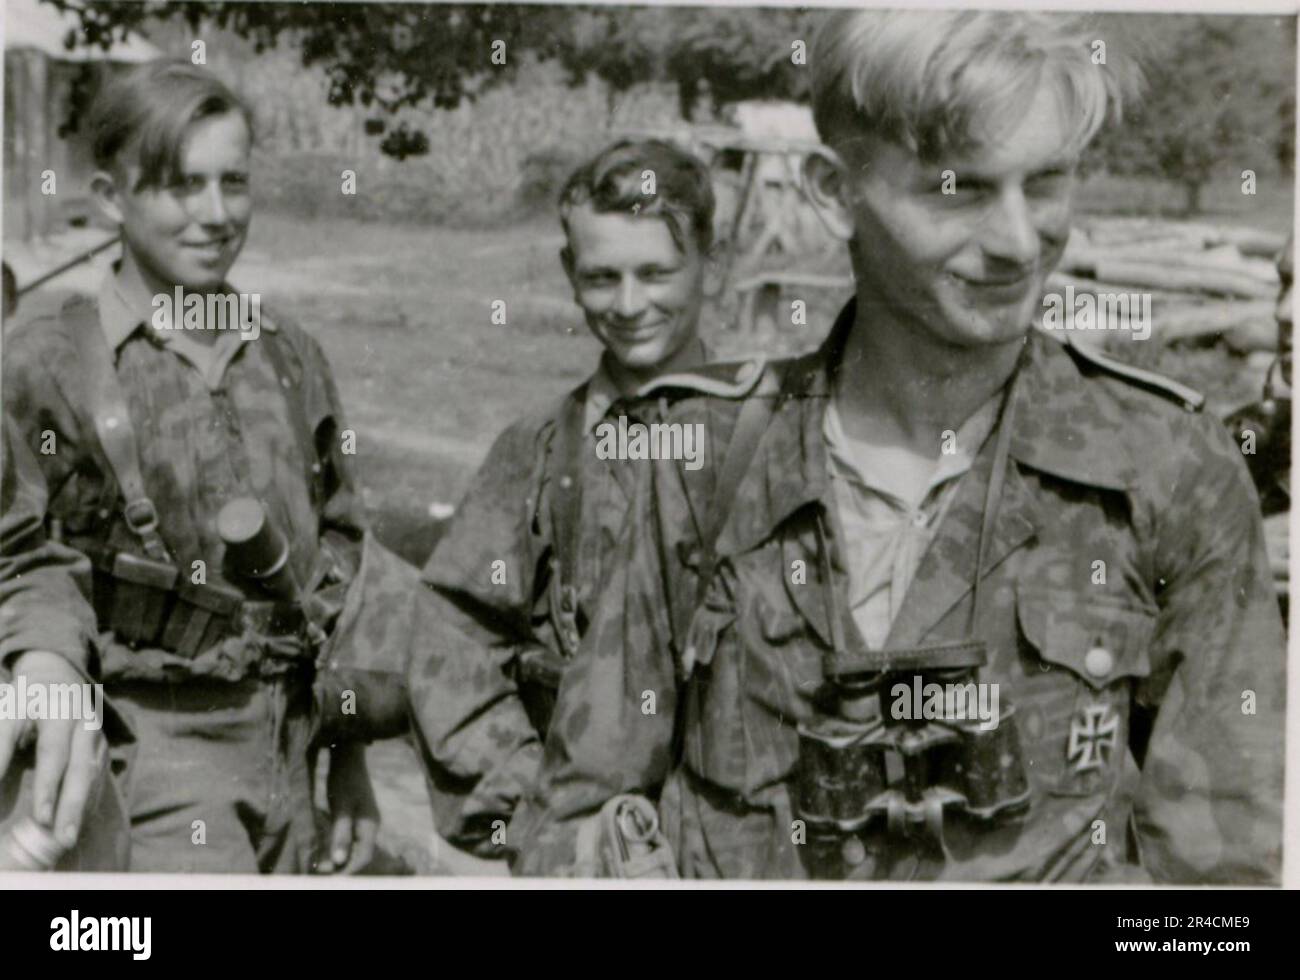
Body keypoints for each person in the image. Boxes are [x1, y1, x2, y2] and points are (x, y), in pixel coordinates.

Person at [508, 10, 1285, 882]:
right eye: (959, 189)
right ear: (834, 192)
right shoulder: (700, 458)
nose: (1020, 242)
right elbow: (571, 813)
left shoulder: (1167, 468)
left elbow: (1219, 893)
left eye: (1049, 182)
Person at [0, 59, 396, 873]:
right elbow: (17, 554)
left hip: (292, 743)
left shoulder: (287, 353)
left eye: (234, 183)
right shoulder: (45, 362)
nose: (216, 214)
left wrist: (348, 751)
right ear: (112, 199)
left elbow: (342, 553)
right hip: (147, 754)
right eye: (183, 186)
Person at [413, 139, 765, 858]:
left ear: (715, 264)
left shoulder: (771, 438)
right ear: (570, 274)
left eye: (657, 273)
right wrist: (536, 808)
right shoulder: (541, 447)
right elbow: (454, 632)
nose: (631, 304)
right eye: (603, 277)